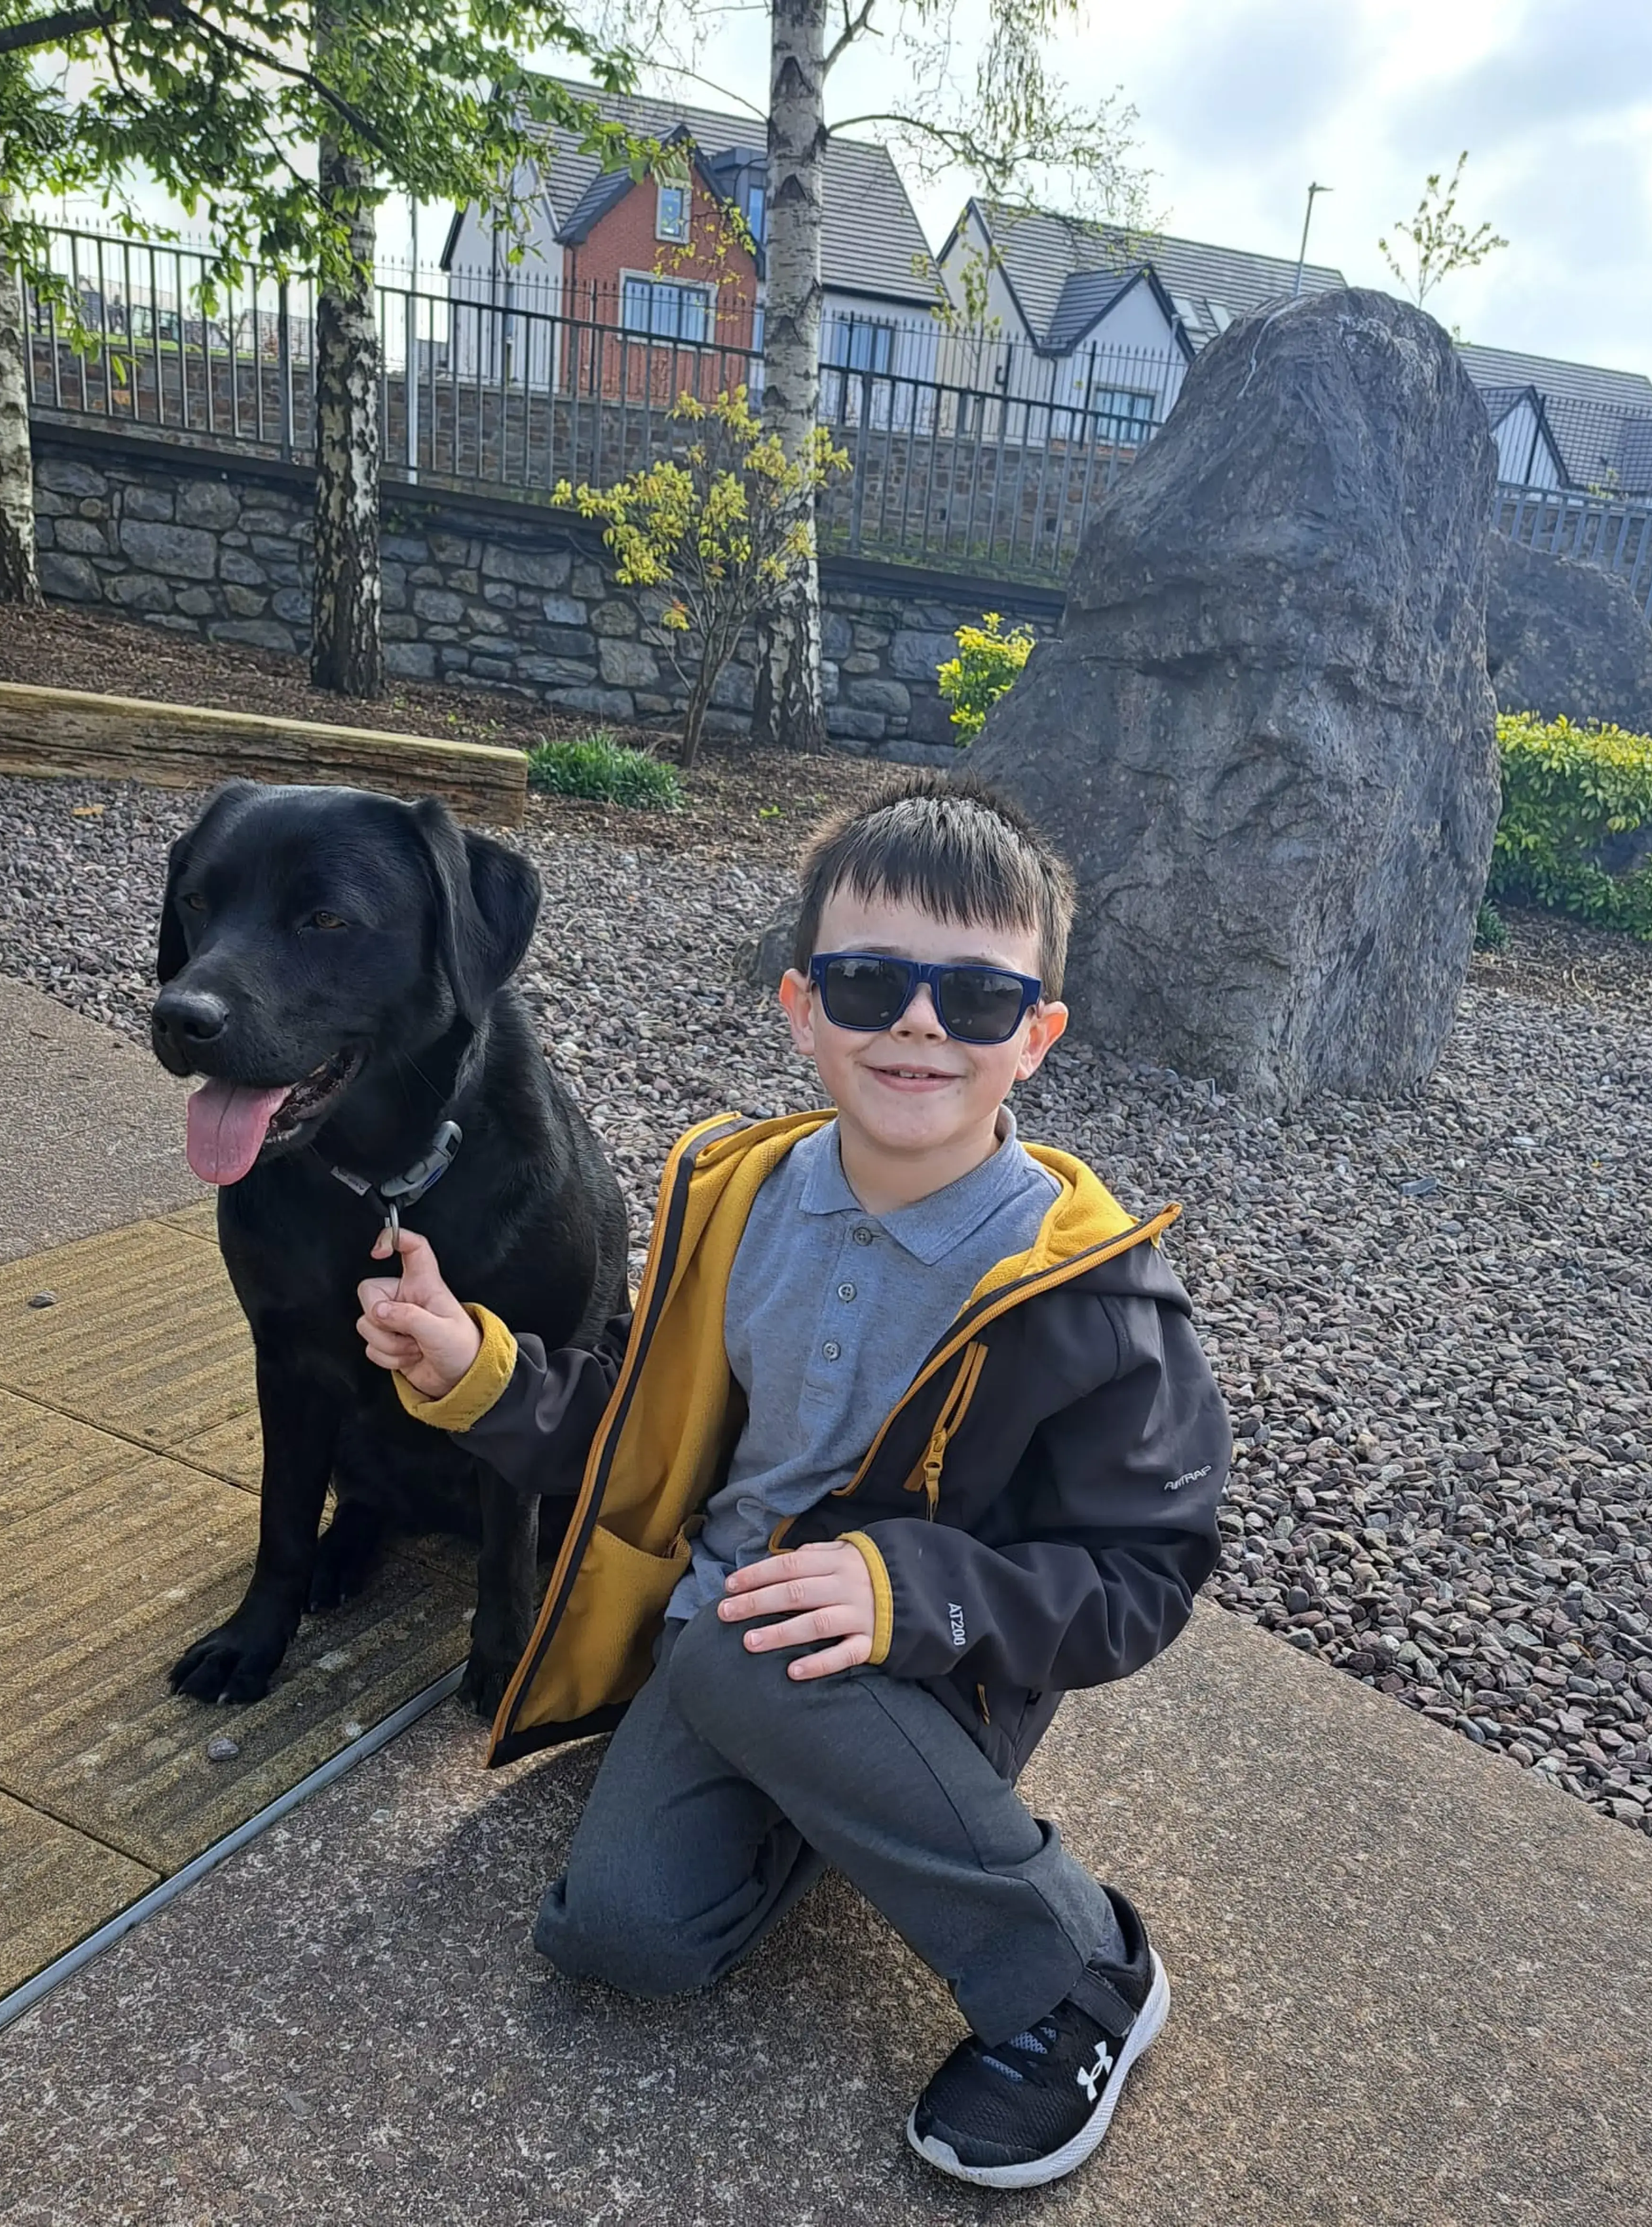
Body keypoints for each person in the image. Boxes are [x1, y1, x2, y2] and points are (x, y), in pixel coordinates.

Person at [355, 771, 1230, 2189]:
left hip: (937, 1667)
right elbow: (652, 1433)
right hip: (733, 1639)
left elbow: (1146, 1571)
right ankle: (850, 1799)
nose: (921, 1026)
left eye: (979, 1000)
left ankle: (1078, 1972)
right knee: (615, 1937)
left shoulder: (1091, 1284)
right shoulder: (739, 1192)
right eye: (871, 981)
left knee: (747, 1656)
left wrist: (911, 1590)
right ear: (802, 1006)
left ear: (1039, 1039)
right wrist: (480, 1367)